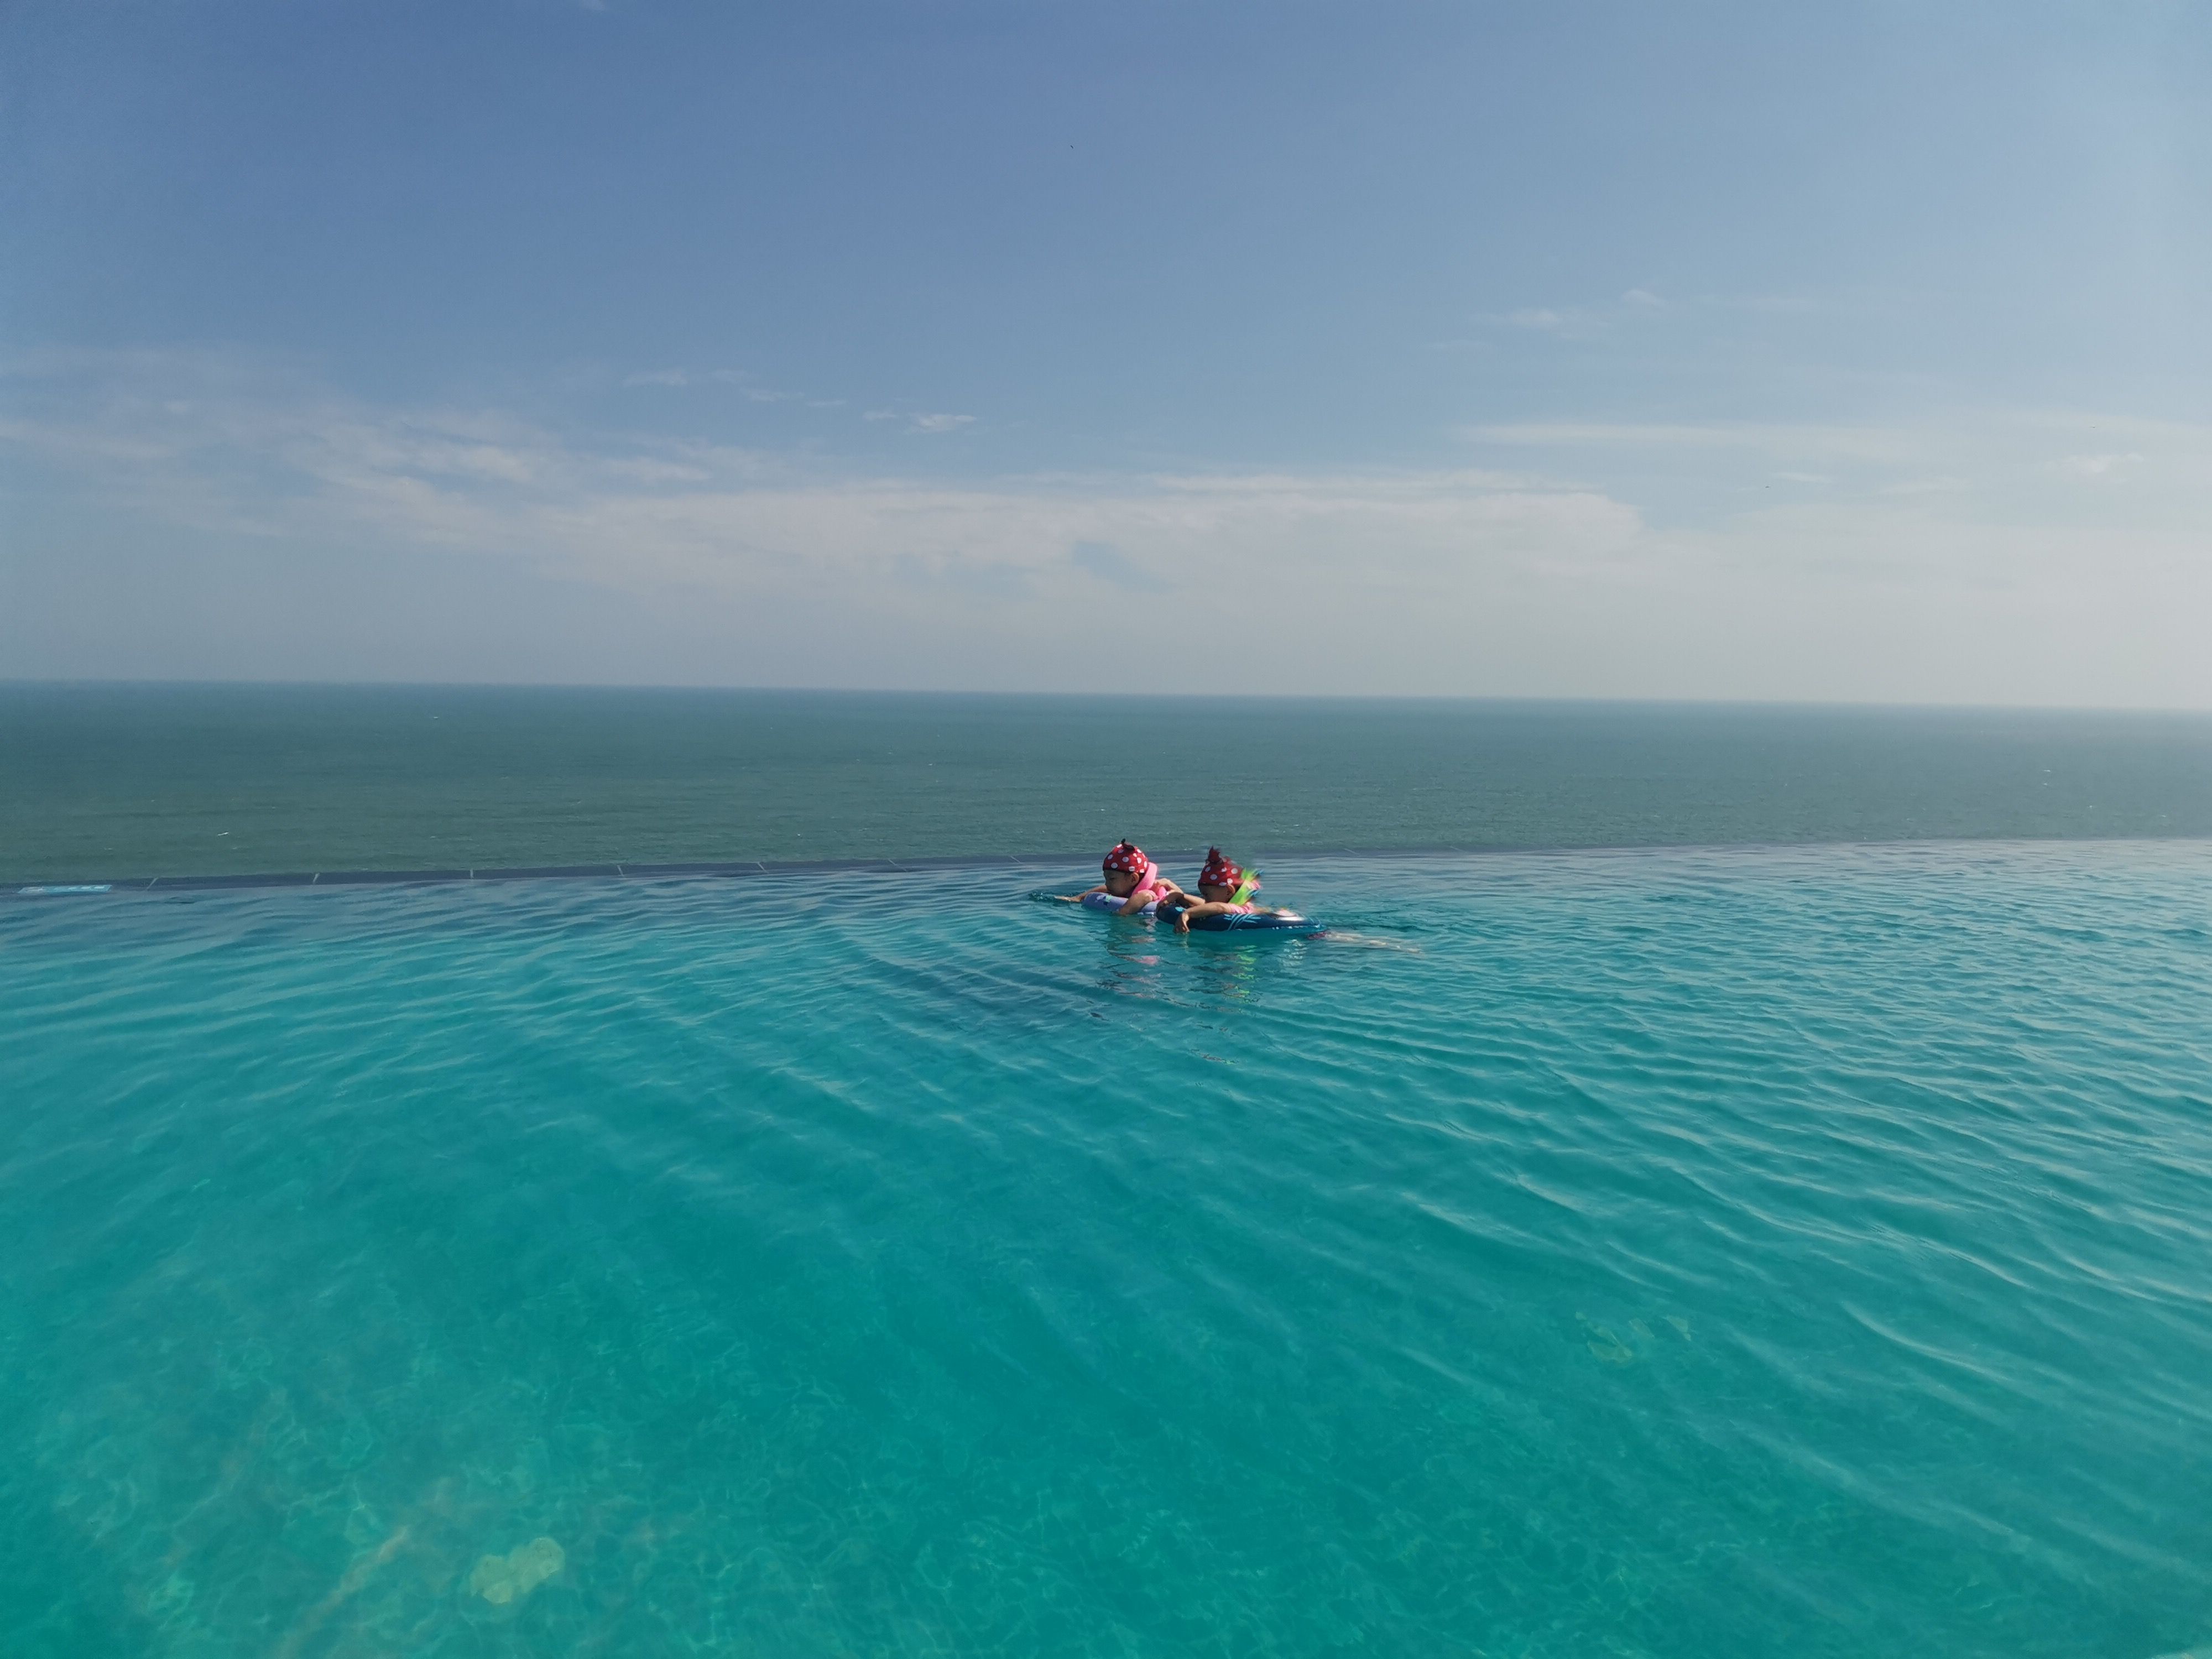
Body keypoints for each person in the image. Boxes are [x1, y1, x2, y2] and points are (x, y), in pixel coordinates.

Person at [1157, 848, 1286, 932]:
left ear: (1229, 892)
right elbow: (1206, 905)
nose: (1205, 898)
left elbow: (1219, 907)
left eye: (1207, 894)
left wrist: (1187, 914)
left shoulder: (1239, 909)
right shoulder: (1235, 903)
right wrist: (1181, 896)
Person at [1056, 839, 1182, 916]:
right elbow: (1105, 889)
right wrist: (1078, 898)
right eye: (1106, 879)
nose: (1107, 884)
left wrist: (1122, 913)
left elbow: (1144, 897)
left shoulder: (1148, 891)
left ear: (1133, 879)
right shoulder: (1125, 887)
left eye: (1112, 880)